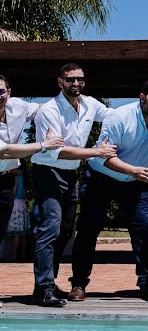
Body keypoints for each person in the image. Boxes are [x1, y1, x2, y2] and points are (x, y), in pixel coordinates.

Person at [68, 80, 148, 301]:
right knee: (88, 231)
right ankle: (78, 283)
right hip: (101, 178)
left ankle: (147, 284)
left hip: (134, 181)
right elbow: (104, 156)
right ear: (142, 97)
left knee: (143, 232)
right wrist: (134, 170)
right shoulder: (119, 117)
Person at [30, 63, 117, 307]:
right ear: (60, 82)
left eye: (79, 79)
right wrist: (96, 152)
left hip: (71, 175)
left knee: (66, 231)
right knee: (51, 228)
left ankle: (48, 282)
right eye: (70, 80)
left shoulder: (90, 104)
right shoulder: (49, 110)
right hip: (48, 172)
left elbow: (114, 116)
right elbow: (59, 151)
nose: (75, 84)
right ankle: (44, 287)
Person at [0, 74, 65, 268]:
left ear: (8, 93)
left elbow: (42, 109)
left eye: (1, 91)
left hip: (6, 182)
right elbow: (5, 150)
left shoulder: (17, 106)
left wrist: (51, 128)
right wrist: (44, 144)